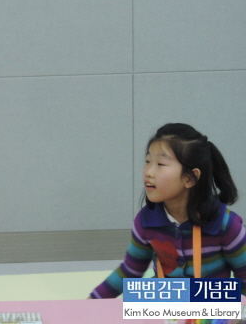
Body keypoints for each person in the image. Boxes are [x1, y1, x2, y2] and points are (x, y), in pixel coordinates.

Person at [90, 123, 246, 299]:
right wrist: (90, 302)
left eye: (161, 164)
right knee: (136, 295)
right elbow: (130, 270)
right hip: (165, 301)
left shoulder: (226, 224)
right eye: (147, 161)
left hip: (212, 304)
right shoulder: (145, 221)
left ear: (190, 178)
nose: (148, 172)